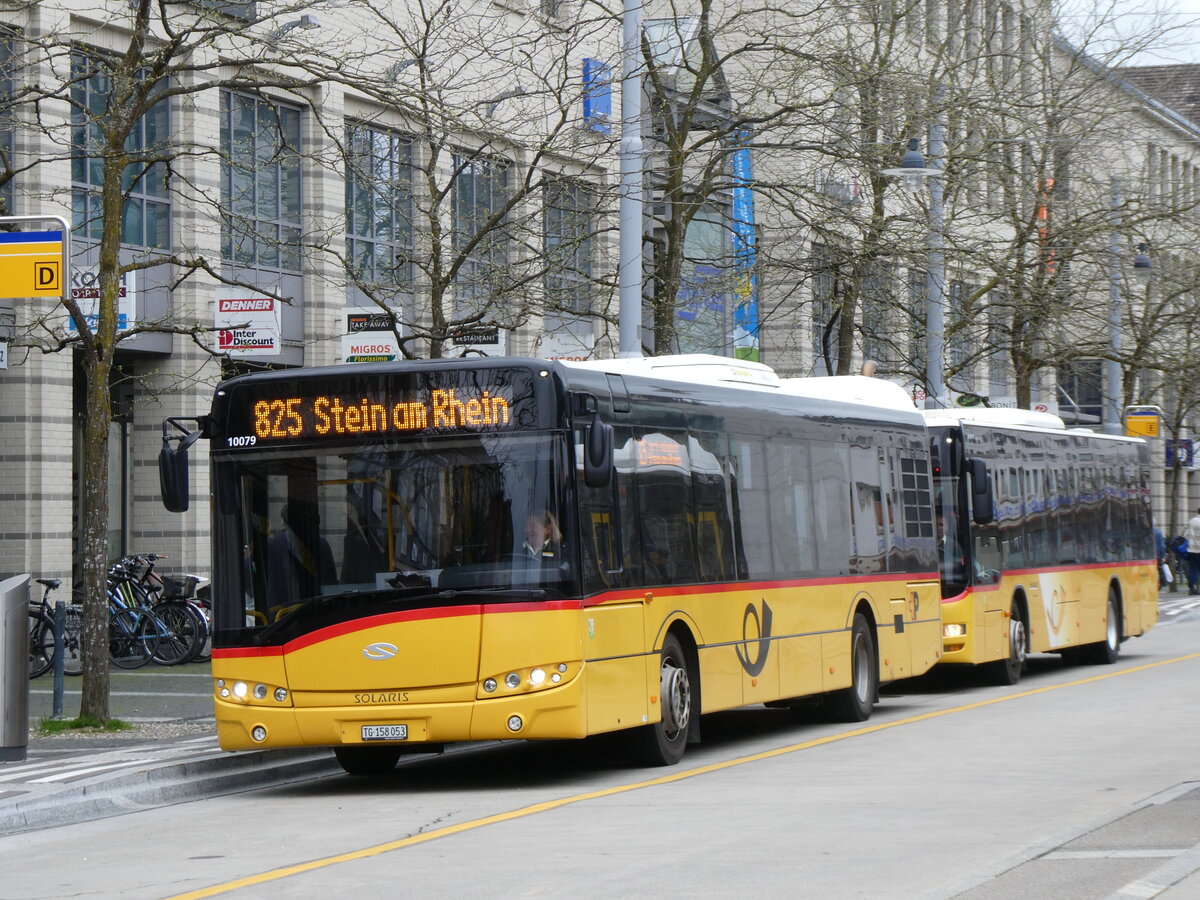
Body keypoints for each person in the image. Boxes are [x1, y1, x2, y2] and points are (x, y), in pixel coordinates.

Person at [266, 502, 337, 613]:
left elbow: (250, 571)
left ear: (283, 521)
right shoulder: (322, 544)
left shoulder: (272, 544)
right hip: (319, 612)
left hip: (281, 616)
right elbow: (331, 582)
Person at [1184, 509, 1200, 596]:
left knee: (1193, 569)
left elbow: (1185, 534)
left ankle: (1191, 588)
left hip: (1191, 549)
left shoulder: (1191, 521)